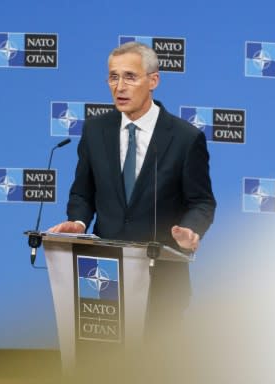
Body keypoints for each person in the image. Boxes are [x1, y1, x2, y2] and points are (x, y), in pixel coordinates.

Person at [49, 42, 216, 339]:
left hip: (161, 279)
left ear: (153, 80)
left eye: (130, 76)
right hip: (103, 278)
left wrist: (191, 231)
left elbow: (201, 202)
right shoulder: (94, 130)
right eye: (113, 77)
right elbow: (83, 193)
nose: (119, 86)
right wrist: (78, 221)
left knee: (156, 378)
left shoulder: (185, 138)